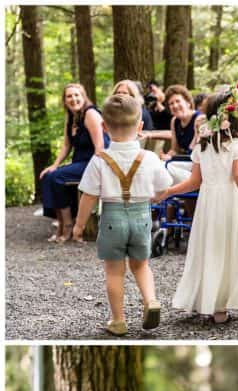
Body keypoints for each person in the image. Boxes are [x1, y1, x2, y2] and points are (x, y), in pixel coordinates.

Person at [157, 84, 238, 324]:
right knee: (229, 250)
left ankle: (207, 300)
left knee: (211, 249)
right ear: (236, 118)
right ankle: (220, 307)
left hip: (209, 205)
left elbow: (193, 182)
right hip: (233, 205)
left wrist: (167, 192)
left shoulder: (202, 146)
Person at [71, 94, 172, 336]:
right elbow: (164, 188)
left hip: (112, 219)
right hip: (141, 217)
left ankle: (118, 320)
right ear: (140, 127)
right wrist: (156, 197)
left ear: (104, 128)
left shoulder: (99, 160)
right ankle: (150, 301)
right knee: (141, 265)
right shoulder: (148, 158)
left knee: (114, 271)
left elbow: (88, 197)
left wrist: (79, 225)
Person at [38, 82, 106, 243]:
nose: (73, 99)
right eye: (69, 96)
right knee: (48, 175)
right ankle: (61, 223)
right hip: (81, 162)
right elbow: (66, 145)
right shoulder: (71, 117)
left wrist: (95, 171)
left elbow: (100, 147)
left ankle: (69, 225)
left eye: (77, 95)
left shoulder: (91, 114)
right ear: (64, 100)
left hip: (95, 162)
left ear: (83, 97)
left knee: (57, 177)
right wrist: (54, 165)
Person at [162, 84, 199, 183]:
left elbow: (197, 152)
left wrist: (171, 159)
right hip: (183, 163)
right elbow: (174, 150)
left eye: (178, 101)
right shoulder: (174, 121)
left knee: (164, 169)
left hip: (196, 167)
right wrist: (165, 156)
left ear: (188, 102)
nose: (175, 106)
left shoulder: (199, 119)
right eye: (171, 103)